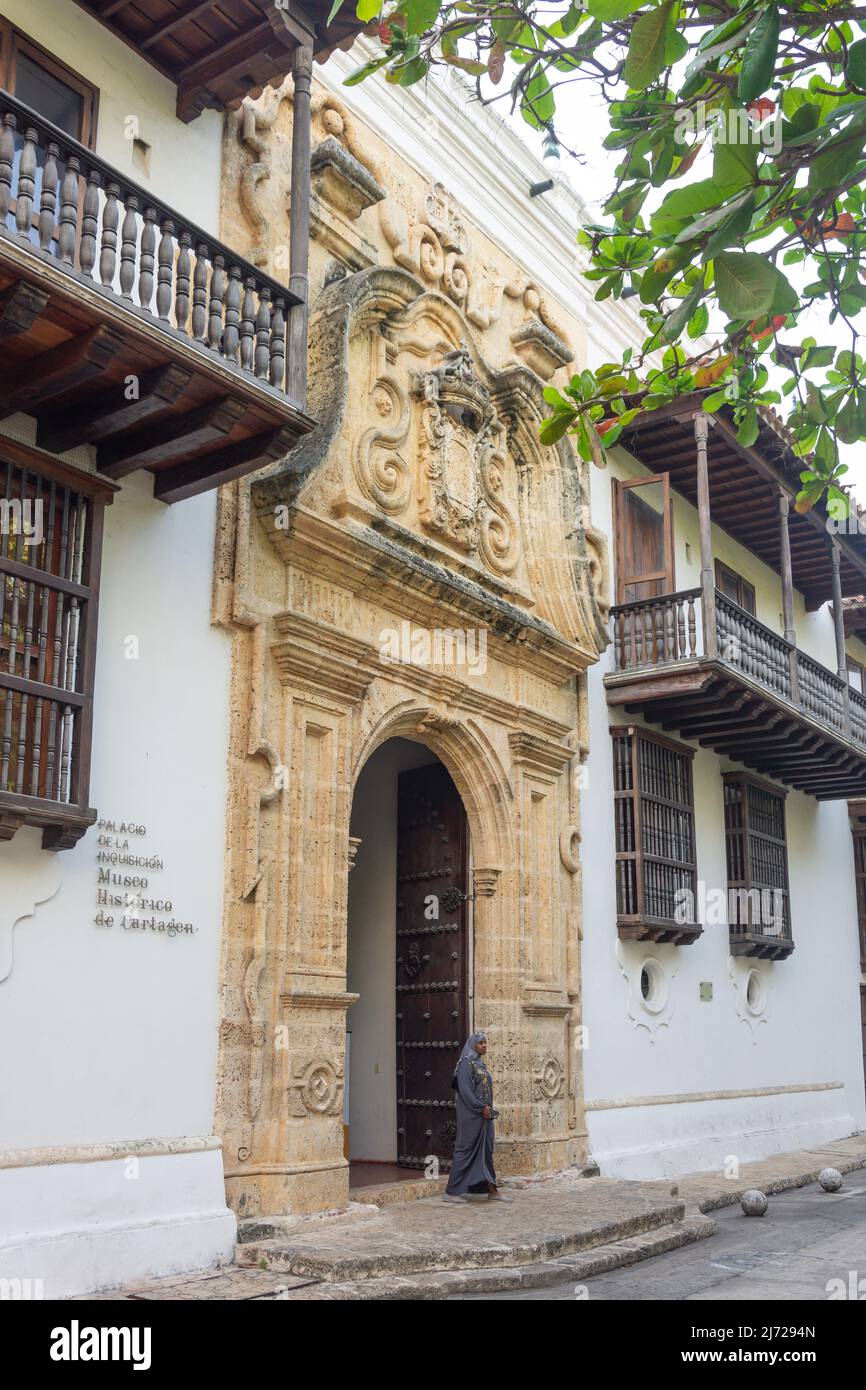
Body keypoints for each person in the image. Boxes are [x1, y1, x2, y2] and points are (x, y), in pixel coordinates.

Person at [443, 1030, 511, 1202]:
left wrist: (486, 1109)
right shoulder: (466, 1064)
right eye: (481, 1043)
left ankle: (492, 1191)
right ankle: (451, 1192)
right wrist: (480, 1107)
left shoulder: (480, 1065)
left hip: (485, 1115)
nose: (484, 1045)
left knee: (486, 1151)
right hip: (472, 1115)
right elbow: (465, 1091)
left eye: (485, 1042)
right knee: (465, 1150)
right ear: (473, 1045)